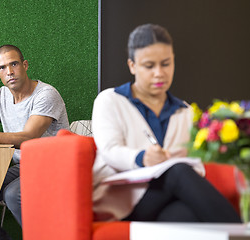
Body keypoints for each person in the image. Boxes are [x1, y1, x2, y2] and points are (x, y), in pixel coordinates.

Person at [91, 24, 241, 223]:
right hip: (120, 200)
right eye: (149, 66)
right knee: (176, 170)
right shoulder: (109, 100)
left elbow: (194, 161)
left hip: (166, 199)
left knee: (186, 215)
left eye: (166, 64)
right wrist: (143, 157)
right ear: (132, 66)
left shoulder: (184, 111)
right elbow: (110, 150)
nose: (159, 73)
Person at [0, 44, 69, 239]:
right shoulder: (1, 96)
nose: (9, 71)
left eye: (14, 64)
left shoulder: (46, 94)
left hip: (56, 165)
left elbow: (29, 137)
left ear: (25, 65)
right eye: (2, 67)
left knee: (13, 194)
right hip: (25, 166)